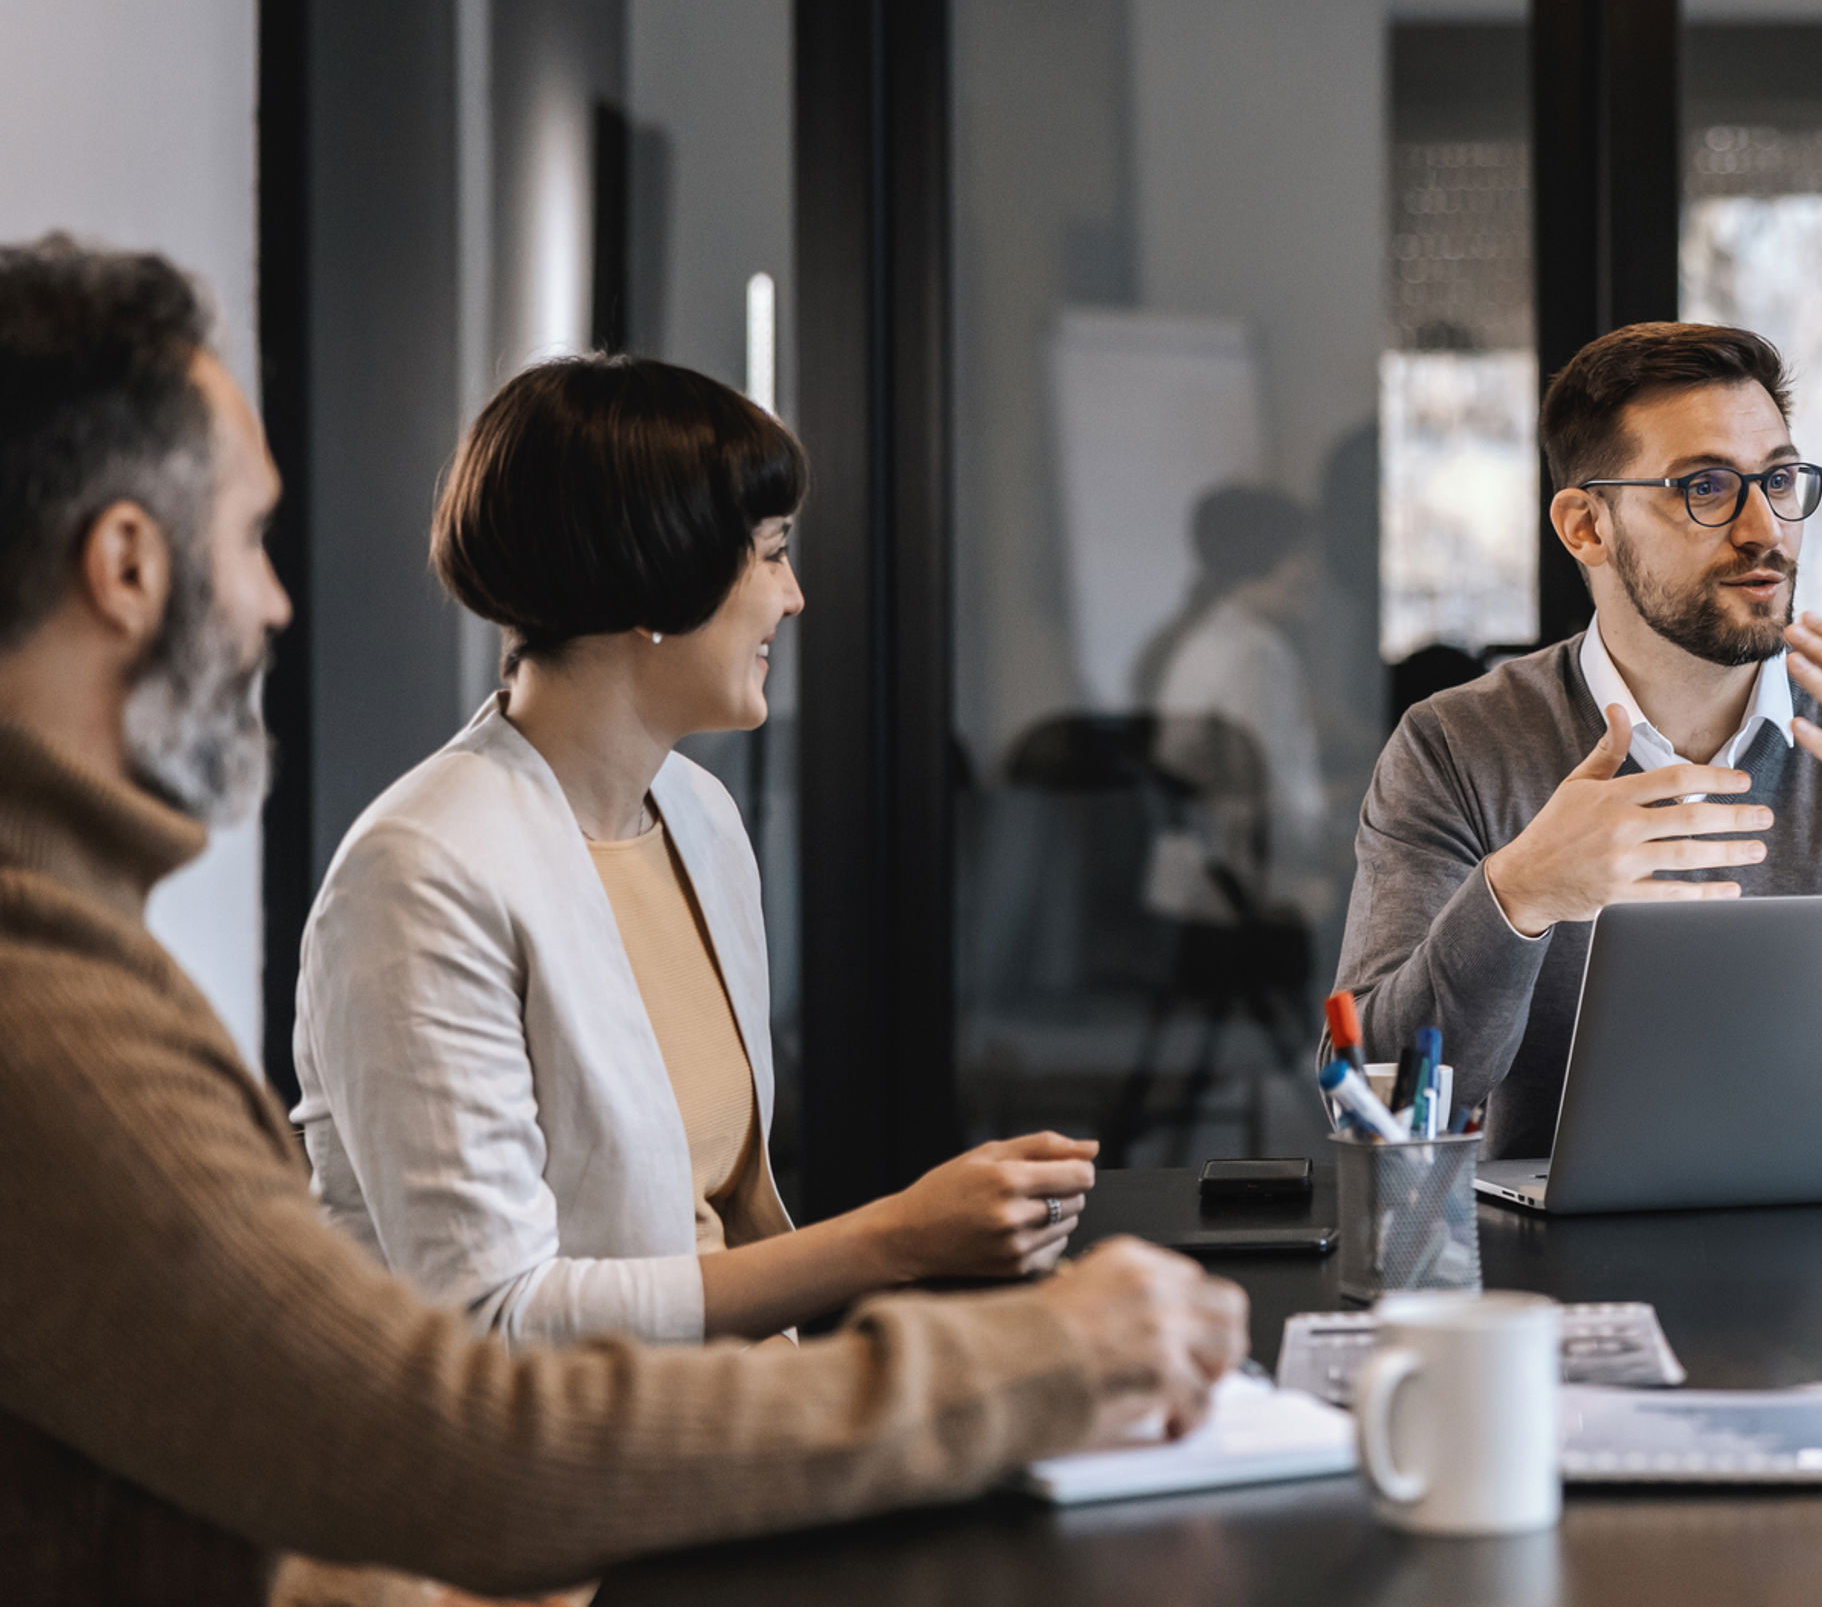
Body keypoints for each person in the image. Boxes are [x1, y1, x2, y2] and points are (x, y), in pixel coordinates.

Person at [0, 237, 1245, 1604]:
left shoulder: (695, 819)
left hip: (691, 1492)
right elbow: (458, 1422)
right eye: (245, 538)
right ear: (124, 565)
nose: (275, 598)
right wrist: (1009, 1350)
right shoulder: (79, 1006)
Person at [291, 357, 1101, 1347]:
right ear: (658, 578)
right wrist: (895, 1240)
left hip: (729, 1420)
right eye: (769, 555)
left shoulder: (697, 813)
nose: (794, 596)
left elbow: (718, 1223)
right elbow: (496, 1320)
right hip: (561, 1476)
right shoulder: (418, 874)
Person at [1336, 322, 1822, 1152]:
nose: (1764, 529)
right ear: (1586, 527)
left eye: (1778, 479)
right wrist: (1519, 895)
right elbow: (1371, 1110)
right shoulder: (1456, 746)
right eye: (1705, 487)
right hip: (1569, 1266)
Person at [1133, 484, 1328, 926]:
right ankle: (1343, 1003)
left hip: (1189, 883)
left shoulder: (1199, 641)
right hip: (1246, 886)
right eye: (1301, 554)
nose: (1313, 570)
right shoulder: (1257, 653)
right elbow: (1275, 793)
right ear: (1267, 559)